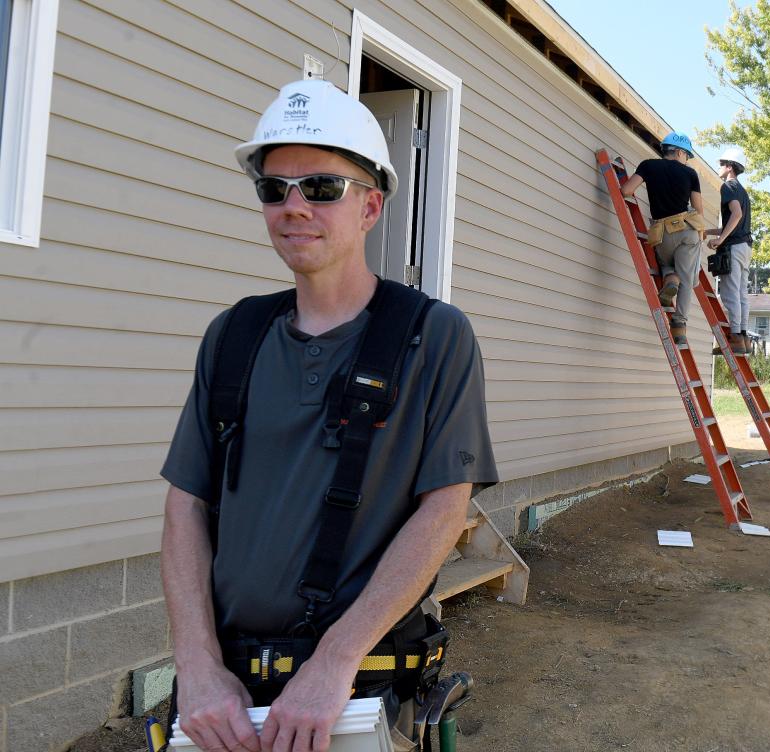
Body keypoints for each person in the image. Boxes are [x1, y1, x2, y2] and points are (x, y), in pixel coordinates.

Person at [160, 79, 497, 752]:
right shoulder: (233, 336)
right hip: (225, 697)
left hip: (353, 692)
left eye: (321, 188)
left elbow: (443, 509)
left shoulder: (432, 335)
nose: (293, 207)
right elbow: (184, 510)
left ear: (371, 206)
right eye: (273, 189)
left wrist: (334, 662)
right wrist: (196, 668)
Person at [620, 132, 707, 345]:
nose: (687, 159)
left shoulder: (648, 166)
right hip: (687, 231)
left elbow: (626, 190)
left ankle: (670, 279)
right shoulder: (690, 173)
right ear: (679, 152)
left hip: (661, 233)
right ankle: (679, 326)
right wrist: (701, 234)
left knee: (665, 262)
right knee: (688, 279)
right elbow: (698, 209)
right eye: (687, 155)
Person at [706, 146, 753, 356]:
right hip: (745, 247)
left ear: (729, 166)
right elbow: (736, 221)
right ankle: (742, 338)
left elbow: (735, 215)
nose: (719, 168)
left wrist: (720, 240)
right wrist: (708, 232)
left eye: (721, 164)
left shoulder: (728, 187)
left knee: (729, 293)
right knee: (741, 293)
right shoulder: (742, 191)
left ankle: (734, 337)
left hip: (733, 246)